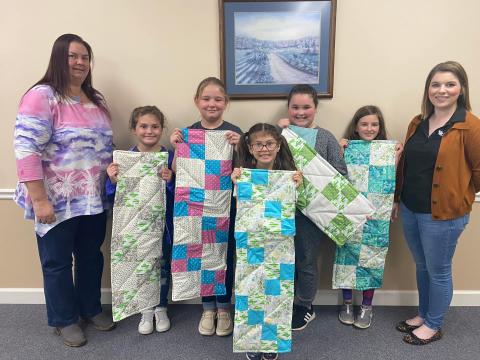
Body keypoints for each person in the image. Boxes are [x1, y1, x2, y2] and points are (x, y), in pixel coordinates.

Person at [13, 34, 115, 347]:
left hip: (92, 198)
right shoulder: (42, 96)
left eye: (85, 57)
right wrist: (39, 198)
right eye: (73, 56)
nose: (80, 62)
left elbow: (104, 147)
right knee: (56, 261)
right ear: (59, 58)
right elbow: (25, 146)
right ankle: (64, 319)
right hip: (55, 198)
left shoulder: (95, 99)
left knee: (90, 256)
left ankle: (90, 307)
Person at [394, 61, 480, 345]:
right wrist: (397, 199)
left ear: (461, 89)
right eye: (436, 84)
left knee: (439, 270)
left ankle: (434, 324)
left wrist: (463, 196)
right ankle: (423, 314)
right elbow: (407, 164)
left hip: (443, 215)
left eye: (450, 84)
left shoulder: (471, 126)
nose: (441, 90)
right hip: (410, 208)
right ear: (428, 89)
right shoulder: (417, 122)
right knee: (422, 266)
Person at [170, 77, 242, 336]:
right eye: (206, 99)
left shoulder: (234, 133)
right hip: (195, 208)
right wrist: (177, 147)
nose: (212, 104)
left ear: (226, 103)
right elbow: (177, 171)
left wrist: (239, 146)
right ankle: (207, 308)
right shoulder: (188, 132)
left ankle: (224, 308)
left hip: (225, 208)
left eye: (218, 99)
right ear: (197, 102)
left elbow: (244, 171)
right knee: (199, 253)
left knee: (223, 254)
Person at [278, 84, 347, 331]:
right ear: (288, 108)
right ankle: (282, 301)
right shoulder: (280, 134)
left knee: (306, 259)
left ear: (315, 108)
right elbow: (262, 160)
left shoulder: (326, 138)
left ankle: (305, 305)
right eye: (295, 107)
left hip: (313, 214)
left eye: (306, 107)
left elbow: (341, 175)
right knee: (280, 258)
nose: (300, 112)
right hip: (280, 209)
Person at [231, 123, 302, 360]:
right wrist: (236, 181)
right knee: (249, 291)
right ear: (250, 148)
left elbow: (300, 204)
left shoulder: (289, 174)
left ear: (278, 145)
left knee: (276, 294)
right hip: (250, 243)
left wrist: (297, 185)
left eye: (269, 143)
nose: (264, 148)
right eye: (259, 144)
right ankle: (252, 340)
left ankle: (270, 343)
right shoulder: (243, 174)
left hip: (278, 245)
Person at [106, 106, 174, 335]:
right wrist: (113, 180)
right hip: (136, 228)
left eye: (155, 126)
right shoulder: (125, 160)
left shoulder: (169, 158)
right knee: (142, 267)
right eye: (143, 126)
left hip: (162, 225)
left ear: (162, 129)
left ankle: (161, 307)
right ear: (134, 129)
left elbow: (180, 193)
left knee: (161, 265)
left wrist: (170, 179)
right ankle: (146, 310)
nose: (149, 131)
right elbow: (112, 195)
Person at [334, 105, 403, 329]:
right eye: (364, 124)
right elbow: (337, 175)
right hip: (350, 212)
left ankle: (366, 306)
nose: (369, 128)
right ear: (356, 126)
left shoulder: (386, 150)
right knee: (346, 256)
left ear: (380, 127)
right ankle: (346, 303)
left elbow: (392, 178)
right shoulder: (347, 147)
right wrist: (341, 150)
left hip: (376, 214)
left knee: (372, 258)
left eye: (374, 124)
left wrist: (397, 155)